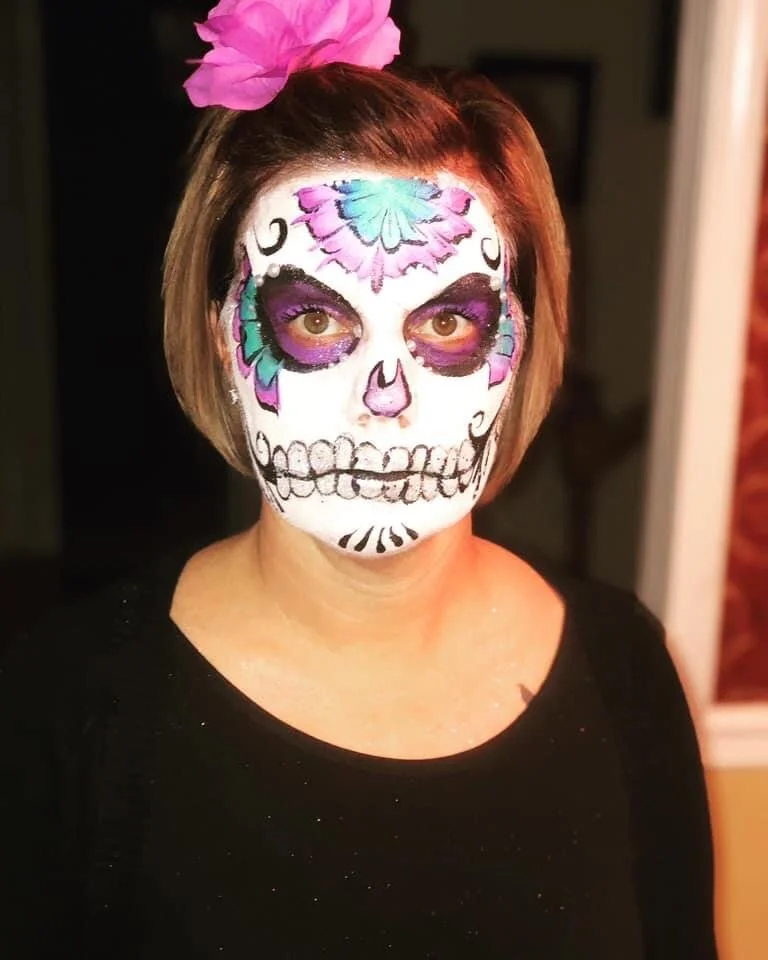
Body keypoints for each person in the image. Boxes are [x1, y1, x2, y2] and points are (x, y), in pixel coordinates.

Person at [1, 1, 717, 957]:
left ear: (520, 343)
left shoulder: (626, 670)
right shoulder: (64, 707)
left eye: (448, 324)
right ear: (222, 339)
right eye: (316, 321)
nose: (384, 396)